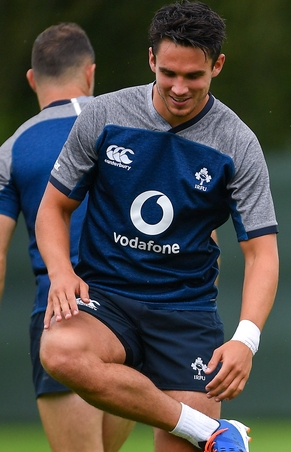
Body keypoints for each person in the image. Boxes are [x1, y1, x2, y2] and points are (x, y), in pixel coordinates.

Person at [34, 2, 279, 452]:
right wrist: (61, 272)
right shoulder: (104, 116)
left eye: (194, 76)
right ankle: (211, 433)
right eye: (169, 73)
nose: (179, 88)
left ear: (217, 66)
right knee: (59, 350)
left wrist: (246, 339)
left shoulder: (237, 143)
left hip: (186, 315)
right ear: (151, 59)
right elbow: (53, 208)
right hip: (106, 301)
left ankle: (199, 429)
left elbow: (262, 252)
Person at [0, 23, 136, 452]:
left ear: (32, 79)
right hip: (133, 321)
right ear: (91, 74)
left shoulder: (14, 149)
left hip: (62, 319)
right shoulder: (137, 129)